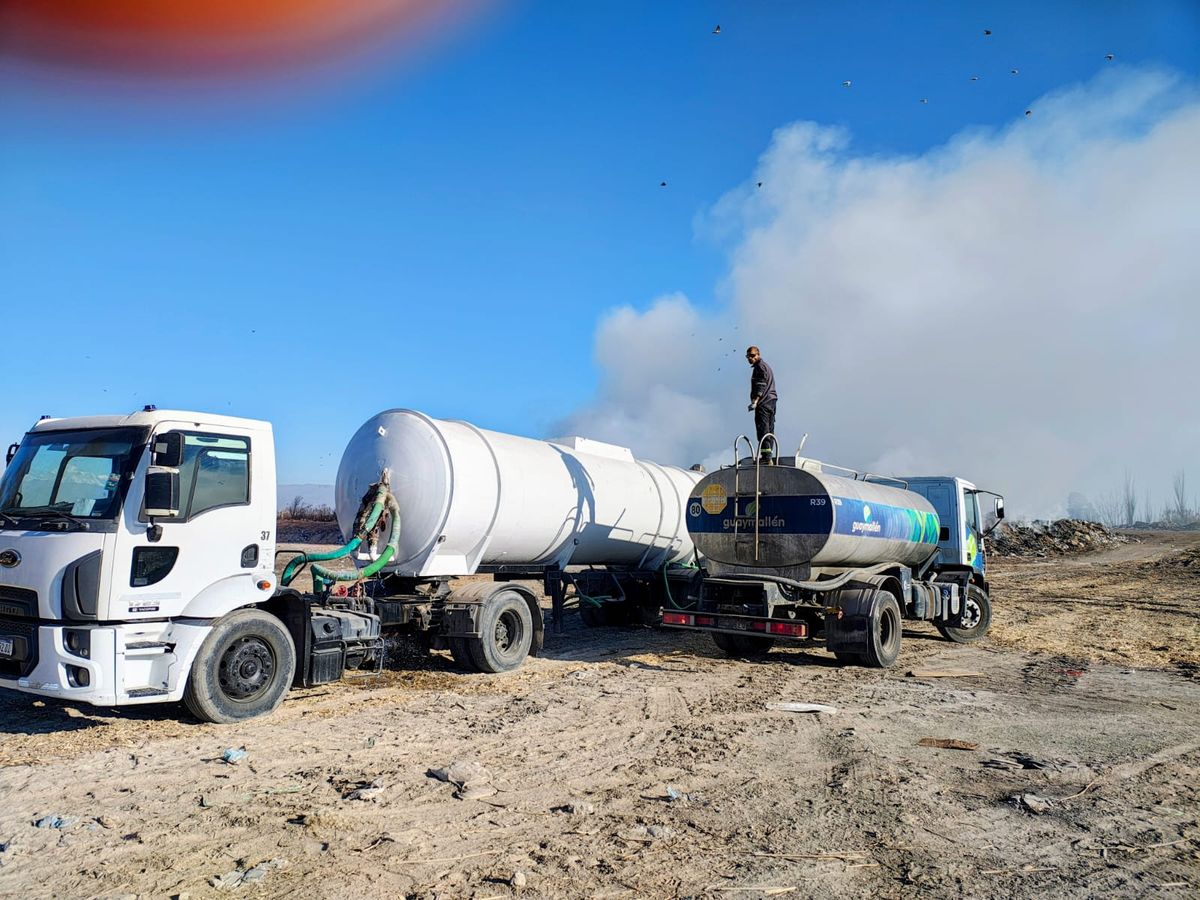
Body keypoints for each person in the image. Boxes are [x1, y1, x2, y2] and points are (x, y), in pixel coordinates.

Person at [745, 346, 778, 461]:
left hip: (764, 402)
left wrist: (755, 401)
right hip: (772, 401)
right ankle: (768, 455)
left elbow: (761, 385)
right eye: (748, 356)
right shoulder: (765, 366)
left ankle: (766, 457)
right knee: (769, 429)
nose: (750, 358)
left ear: (758, 355)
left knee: (763, 429)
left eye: (753, 356)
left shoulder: (760, 367)